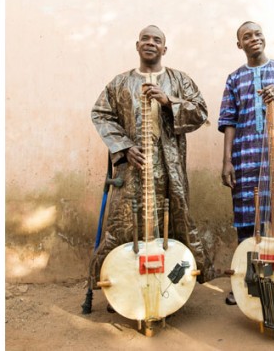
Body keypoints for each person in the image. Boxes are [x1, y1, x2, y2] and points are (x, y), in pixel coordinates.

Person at [89, 25, 215, 312]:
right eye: (145, 39)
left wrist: (169, 100)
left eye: (156, 40)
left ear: (164, 49)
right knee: (125, 228)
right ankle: (122, 289)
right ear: (137, 46)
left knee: (172, 224)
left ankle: (172, 290)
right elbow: (101, 113)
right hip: (133, 168)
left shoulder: (179, 80)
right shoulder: (119, 83)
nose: (150, 43)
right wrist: (123, 147)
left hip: (169, 169)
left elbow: (201, 112)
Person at [218, 21, 274, 305]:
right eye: (247, 36)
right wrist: (227, 162)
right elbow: (228, 121)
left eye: (258, 34)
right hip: (244, 162)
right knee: (247, 226)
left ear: (264, 38)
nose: (253, 38)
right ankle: (246, 285)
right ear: (239, 45)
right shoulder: (234, 79)